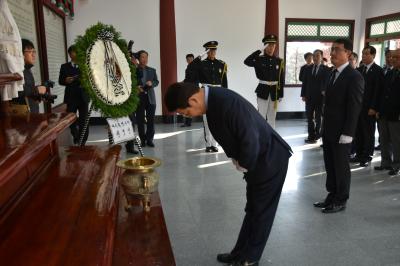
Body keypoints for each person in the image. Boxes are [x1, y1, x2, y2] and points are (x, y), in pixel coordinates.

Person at [165, 82, 292, 266]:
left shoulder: (224, 101)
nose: (188, 116)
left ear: (193, 100)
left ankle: (250, 258)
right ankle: (239, 252)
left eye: (185, 112)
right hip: (258, 159)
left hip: (269, 158)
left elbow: (250, 137)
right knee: (253, 208)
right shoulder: (213, 101)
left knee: (261, 210)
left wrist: (244, 163)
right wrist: (236, 158)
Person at [314, 38, 364, 214]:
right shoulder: (331, 73)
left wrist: (348, 133)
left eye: (337, 50)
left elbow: (354, 107)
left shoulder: (354, 76)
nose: (332, 53)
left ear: (348, 54)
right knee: (330, 164)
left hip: (343, 132)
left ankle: (341, 199)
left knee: (341, 166)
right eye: (332, 49)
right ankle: (332, 194)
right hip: (329, 129)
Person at [185, 41, 228, 152]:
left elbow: (224, 82)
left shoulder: (221, 64)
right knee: (207, 120)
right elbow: (190, 71)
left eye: (214, 50)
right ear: (206, 51)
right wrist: (200, 57)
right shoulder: (201, 64)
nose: (213, 52)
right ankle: (208, 144)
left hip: (218, 93)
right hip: (206, 92)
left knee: (217, 120)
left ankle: (215, 144)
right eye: (210, 50)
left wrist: (225, 95)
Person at [350, 46, 383, 167]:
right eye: (363, 54)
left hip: (370, 108)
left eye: (366, 54)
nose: (363, 56)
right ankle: (358, 154)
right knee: (358, 132)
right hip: (358, 107)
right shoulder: (359, 70)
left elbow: (378, 91)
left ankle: (367, 156)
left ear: (373, 56)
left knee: (368, 132)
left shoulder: (378, 70)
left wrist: (374, 107)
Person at [244, 34, 285, 129]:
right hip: (263, 90)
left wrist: (281, 94)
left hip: (274, 92)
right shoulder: (259, 59)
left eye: (273, 45)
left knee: (272, 117)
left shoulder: (279, 61)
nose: (271, 48)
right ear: (265, 46)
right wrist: (259, 51)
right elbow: (246, 61)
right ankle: (261, 137)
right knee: (261, 116)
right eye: (269, 45)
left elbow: (281, 78)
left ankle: (271, 138)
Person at [374, 49, 400, 176]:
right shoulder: (389, 73)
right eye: (392, 57)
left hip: (396, 115)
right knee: (384, 139)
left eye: (396, 57)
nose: (393, 59)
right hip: (384, 113)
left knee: (396, 141)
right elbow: (382, 93)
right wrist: (378, 110)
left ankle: (396, 165)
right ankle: (385, 162)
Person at [58, 45, 90, 145]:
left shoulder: (85, 66)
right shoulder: (64, 66)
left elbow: (91, 80)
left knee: (84, 120)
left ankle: (83, 141)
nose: (76, 53)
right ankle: (76, 136)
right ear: (70, 54)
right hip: (71, 97)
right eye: (74, 52)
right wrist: (66, 80)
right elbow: (60, 81)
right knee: (70, 119)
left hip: (83, 96)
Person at [301, 49, 331, 143]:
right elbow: (304, 83)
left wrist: (325, 93)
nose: (315, 58)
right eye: (314, 56)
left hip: (320, 98)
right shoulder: (308, 68)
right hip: (309, 97)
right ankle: (311, 135)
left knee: (319, 118)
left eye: (317, 56)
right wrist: (303, 94)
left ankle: (318, 135)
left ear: (321, 57)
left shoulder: (326, 69)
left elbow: (328, 84)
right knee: (309, 117)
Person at [12, 39, 46, 113]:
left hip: (32, 114)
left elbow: (27, 92)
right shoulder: (15, 70)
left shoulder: (27, 69)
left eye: (34, 51)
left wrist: (38, 95)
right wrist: (36, 90)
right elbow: (15, 89)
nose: (33, 55)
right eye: (30, 51)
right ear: (21, 53)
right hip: (22, 117)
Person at [135, 50, 159, 147]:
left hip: (150, 98)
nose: (144, 59)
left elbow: (156, 81)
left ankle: (150, 139)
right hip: (139, 97)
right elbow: (132, 82)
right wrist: (136, 87)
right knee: (140, 121)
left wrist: (151, 83)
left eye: (146, 57)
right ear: (139, 59)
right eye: (142, 57)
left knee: (151, 120)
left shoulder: (152, 70)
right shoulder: (134, 70)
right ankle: (143, 140)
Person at [181, 53, 195, 127]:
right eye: (188, 59)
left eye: (190, 59)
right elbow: (187, 78)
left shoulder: (195, 68)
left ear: (193, 59)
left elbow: (192, 79)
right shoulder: (188, 68)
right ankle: (187, 122)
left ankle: (188, 122)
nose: (189, 61)